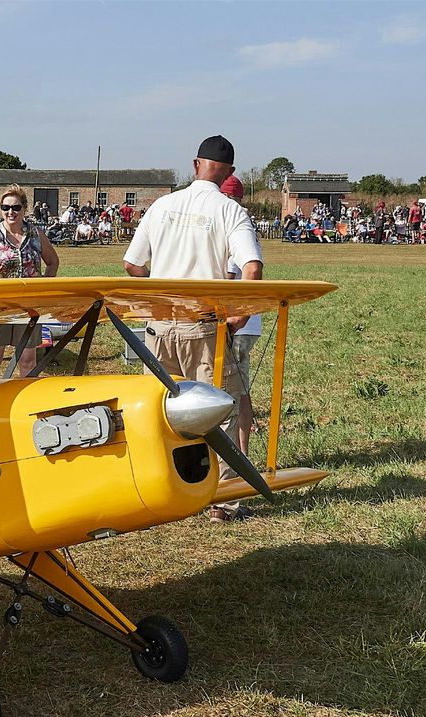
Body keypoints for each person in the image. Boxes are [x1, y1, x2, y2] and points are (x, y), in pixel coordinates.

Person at [123, 135, 262, 523]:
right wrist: (239, 314)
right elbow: (252, 268)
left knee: (160, 410)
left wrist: (162, 283)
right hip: (204, 327)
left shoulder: (162, 206)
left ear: (195, 164)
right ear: (229, 172)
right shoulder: (230, 211)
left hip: (159, 326)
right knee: (222, 409)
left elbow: (132, 265)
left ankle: (163, 490)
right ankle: (223, 501)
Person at [0, 184, 60, 380]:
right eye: (5, 208)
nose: (10, 212)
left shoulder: (36, 234)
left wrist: (43, 289)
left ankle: (26, 402)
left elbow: (53, 261)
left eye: (15, 207)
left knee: (27, 359)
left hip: (29, 308)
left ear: (24, 209)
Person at [220, 175, 261, 454]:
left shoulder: (234, 226)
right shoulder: (245, 225)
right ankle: (242, 452)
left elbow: (227, 276)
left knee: (229, 392)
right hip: (249, 321)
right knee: (241, 391)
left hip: (237, 323)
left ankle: (238, 455)